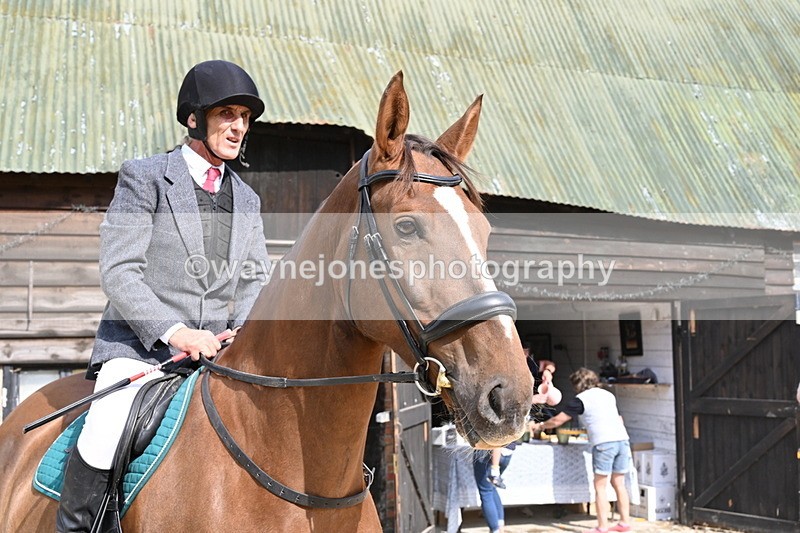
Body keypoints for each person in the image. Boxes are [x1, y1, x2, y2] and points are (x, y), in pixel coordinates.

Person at [56, 60, 270, 532]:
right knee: (105, 429)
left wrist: (245, 332)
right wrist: (177, 333)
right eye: (227, 114)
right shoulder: (146, 177)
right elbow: (119, 272)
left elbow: (255, 278)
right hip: (140, 349)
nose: (238, 127)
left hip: (215, 354)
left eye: (245, 118)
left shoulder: (247, 200)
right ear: (194, 118)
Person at [530, 368, 632, 533]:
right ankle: (625, 523)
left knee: (600, 486)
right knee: (619, 484)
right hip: (622, 439)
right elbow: (619, 418)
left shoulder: (581, 400)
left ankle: (602, 527)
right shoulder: (608, 395)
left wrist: (539, 426)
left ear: (577, 385)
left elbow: (557, 420)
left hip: (604, 442)